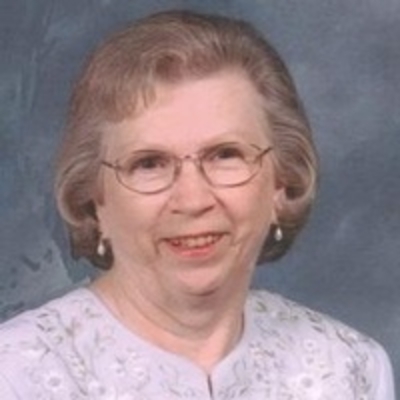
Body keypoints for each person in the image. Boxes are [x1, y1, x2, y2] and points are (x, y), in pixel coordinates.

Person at [0, 9, 395, 399]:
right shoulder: (16, 374)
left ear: (282, 183)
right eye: (149, 163)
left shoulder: (352, 368)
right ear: (93, 198)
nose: (192, 201)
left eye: (225, 155)